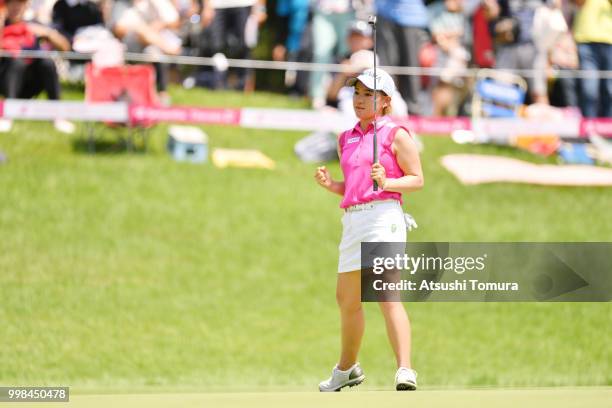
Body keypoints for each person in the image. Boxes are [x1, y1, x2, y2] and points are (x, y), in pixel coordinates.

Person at [314, 68, 424, 392]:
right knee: (347, 299)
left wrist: (387, 180)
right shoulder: (345, 138)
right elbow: (353, 186)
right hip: (353, 219)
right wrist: (332, 184)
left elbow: (417, 178)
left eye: (368, 95)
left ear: (386, 101)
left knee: (386, 294)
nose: (359, 100)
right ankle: (347, 369)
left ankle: (405, 369)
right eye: (357, 94)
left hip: (384, 217)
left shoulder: (396, 134)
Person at [0, 0, 74, 133]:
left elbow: (66, 49)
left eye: (19, 3)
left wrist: (48, 33)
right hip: (6, 81)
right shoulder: (2, 25)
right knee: (17, 62)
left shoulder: (34, 25)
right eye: (11, 3)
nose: (15, 7)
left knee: (47, 62)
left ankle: (57, 114)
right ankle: (7, 115)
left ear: (25, 6)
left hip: (31, 84)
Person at [572, 0, 611, 117]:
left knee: (610, 90)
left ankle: (609, 129)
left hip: (609, 41)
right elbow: (577, 3)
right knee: (589, 89)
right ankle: (589, 130)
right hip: (585, 40)